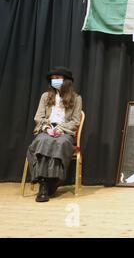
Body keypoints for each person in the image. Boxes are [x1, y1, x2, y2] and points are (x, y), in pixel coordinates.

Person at [27, 66, 82, 202]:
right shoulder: (45, 96)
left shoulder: (76, 98)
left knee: (61, 142)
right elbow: (38, 117)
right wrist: (46, 128)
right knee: (42, 141)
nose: (54, 81)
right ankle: (44, 184)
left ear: (66, 81)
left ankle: (54, 181)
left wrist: (60, 129)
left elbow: (75, 121)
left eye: (57, 78)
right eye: (52, 79)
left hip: (64, 131)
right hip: (46, 129)